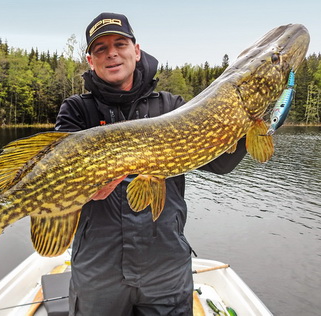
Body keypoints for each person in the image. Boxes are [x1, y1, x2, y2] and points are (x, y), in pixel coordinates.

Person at [55, 12, 247, 316]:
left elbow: (220, 164)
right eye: (101, 48)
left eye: (120, 43)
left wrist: (254, 120)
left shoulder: (171, 107)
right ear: (91, 60)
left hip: (165, 267)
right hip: (97, 268)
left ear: (136, 50)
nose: (112, 53)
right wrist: (84, 189)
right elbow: (57, 178)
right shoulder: (77, 110)